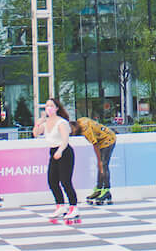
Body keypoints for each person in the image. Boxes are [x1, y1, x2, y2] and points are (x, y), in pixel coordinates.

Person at [39, 97, 80, 226]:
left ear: (57, 108)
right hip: (53, 152)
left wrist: (60, 151)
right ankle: (60, 205)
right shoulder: (46, 123)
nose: (48, 108)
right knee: (52, 180)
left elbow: (65, 139)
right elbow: (36, 133)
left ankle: (73, 207)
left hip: (64, 152)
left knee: (65, 181)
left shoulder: (61, 122)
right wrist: (38, 122)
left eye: (51, 106)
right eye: (46, 106)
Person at [75, 108, 119, 205]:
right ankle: (99, 189)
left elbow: (95, 145)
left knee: (103, 165)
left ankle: (106, 190)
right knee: (101, 166)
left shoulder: (85, 131)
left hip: (108, 140)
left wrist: (99, 160)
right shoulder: (80, 120)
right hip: (102, 139)